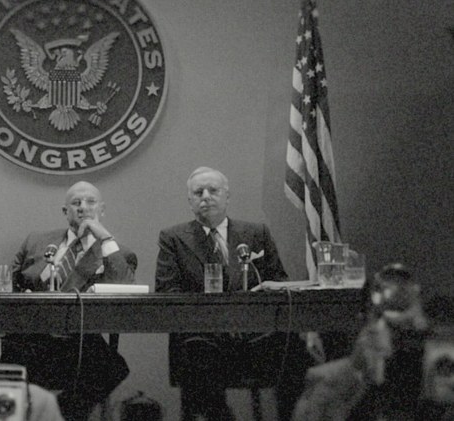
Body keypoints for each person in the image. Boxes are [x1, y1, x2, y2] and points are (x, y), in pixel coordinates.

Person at [154, 167, 311, 421]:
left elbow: (279, 282)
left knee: (294, 348)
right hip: (203, 337)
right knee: (198, 351)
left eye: (213, 190)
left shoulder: (256, 233)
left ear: (227, 196)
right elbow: (167, 292)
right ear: (190, 201)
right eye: (198, 192)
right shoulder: (173, 238)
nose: (206, 196)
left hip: (254, 337)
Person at [1, 181, 136, 421]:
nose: (83, 207)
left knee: (112, 367)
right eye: (76, 203)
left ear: (102, 210)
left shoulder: (117, 252)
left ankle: (60, 414)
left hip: (79, 338)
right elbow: (7, 284)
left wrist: (104, 238)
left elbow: (124, 286)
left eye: (90, 202)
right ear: (65, 211)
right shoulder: (36, 241)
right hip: (31, 335)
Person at [292, 263, 453, 421]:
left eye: (411, 333)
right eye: (395, 332)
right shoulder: (334, 380)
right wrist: (355, 372)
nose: (404, 344)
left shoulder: (437, 371)